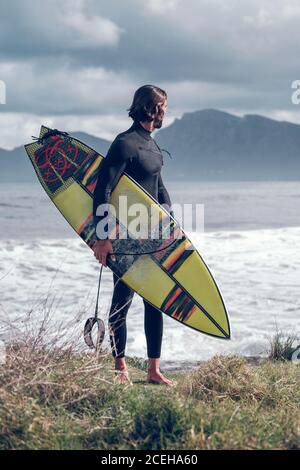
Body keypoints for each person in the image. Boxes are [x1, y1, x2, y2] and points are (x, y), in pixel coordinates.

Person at [92, 85, 176, 387]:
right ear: (150, 108)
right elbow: (103, 188)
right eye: (163, 106)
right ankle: (120, 365)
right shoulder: (124, 143)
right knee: (123, 299)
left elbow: (160, 189)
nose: (166, 111)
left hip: (150, 234)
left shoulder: (152, 146)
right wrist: (103, 238)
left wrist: (169, 223)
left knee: (155, 300)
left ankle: (154, 369)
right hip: (124, 236)